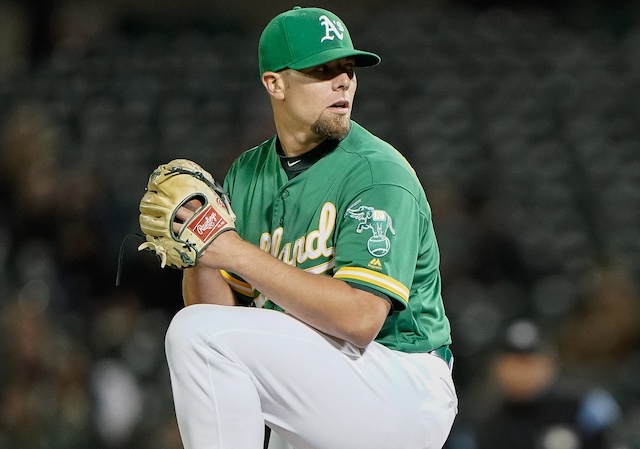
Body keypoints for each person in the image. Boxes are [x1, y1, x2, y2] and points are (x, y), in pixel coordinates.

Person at [161, 6, 457, 449]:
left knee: (193, 334)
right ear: (274, 83)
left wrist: (232, 250)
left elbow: (360, 319)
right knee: (202, 330)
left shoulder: (377, 172)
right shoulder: (248, 173)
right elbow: (219, 315)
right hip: (326, 383)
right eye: (322, 70)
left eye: (348, 69)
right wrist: (199, 248)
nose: (343, 82)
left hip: (398, 381)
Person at [473, 319, 621, 449]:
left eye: (529, 362)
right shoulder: (483, 417)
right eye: (515, 362)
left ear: (549, 364)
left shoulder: (584, 405)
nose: (522, 372)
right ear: (497, 367)